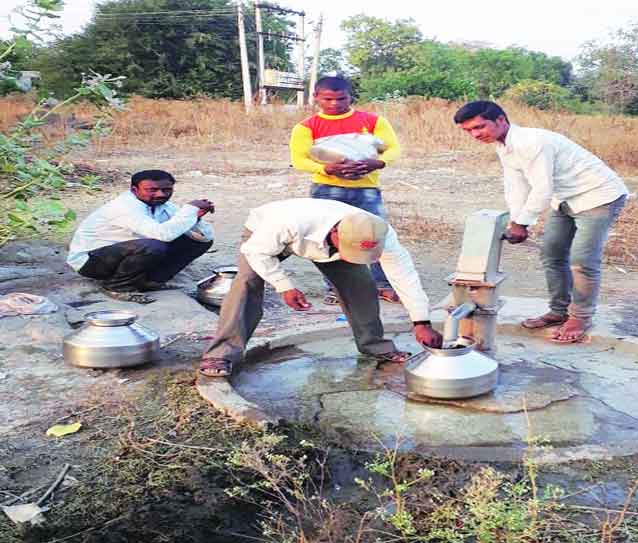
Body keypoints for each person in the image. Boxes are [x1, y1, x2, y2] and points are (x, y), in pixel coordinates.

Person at [198, 198, 442, 377]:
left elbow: (405, 278)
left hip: (325, 242)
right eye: (351, 251)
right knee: (246, 285)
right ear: (336, 233)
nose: (354, 257)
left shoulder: (381, 233)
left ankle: (374, 345)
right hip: (270, 237)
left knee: (361, 287)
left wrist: (421, 322)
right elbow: (256, 252)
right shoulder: (286, 223)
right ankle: (220, 355)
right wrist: (284, 286)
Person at [454, 101, 628, 343]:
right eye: (469, 131)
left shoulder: (531, 142)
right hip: (566, 198)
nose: (475, 135)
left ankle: (580, 317)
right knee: (552, 254)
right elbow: (516, 185)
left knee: (582, 261)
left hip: (598, 195)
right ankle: (559, 312)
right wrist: (516, 220)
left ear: (501, 120)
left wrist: (523, 224)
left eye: (479, 127)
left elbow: (542, 188)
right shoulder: (503, 146)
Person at [289, 76, 402, 305]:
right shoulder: (306, 127)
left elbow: (393, 149)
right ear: (316, 97)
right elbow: (299, 159)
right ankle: (335, 288)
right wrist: (326, 168)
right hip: (326, 188)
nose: (334, 104)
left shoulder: (373, 121)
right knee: (328, 238)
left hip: (366, 188)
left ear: (350, 96)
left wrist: (378, 163)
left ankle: (382, 284)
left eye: (341, 98)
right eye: (327, 99)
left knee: (375, 235)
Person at [66, 169, 215, 304]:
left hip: (126, 255)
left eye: (166, 190)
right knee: (154, 246)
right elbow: (163, 234)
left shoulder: (163, 205)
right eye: (152, 190)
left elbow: (206, 236)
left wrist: (195, 217)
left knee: (196, 241)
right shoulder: (123, 207)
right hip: (92, 262)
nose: (160, 194)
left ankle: (151, 281)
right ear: (134, 190)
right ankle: (118, 287)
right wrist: (189, 210)